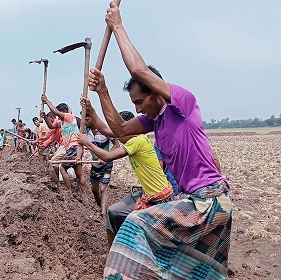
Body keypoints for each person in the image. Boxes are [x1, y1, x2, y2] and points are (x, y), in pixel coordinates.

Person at [88, 2, 232, 279]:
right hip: (192, 200)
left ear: (156, 93)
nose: (139, 108)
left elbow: (140, 71)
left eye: (140, 101)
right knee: (199, 271)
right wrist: (102, 92)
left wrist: (118, 26)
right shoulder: (154, 122)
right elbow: (118, 129)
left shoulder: (182, 103)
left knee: (135, 224)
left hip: (210, 202)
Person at [78, 108, 174, 250]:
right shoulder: (133, 137)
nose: (117, 135)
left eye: (119, 131)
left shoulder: (137, 141)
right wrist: (91, 107)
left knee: (132, 224)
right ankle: (113, 252)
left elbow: (106, 156)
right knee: (113, 213)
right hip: (148, 194)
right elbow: (104, 129)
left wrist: (87, 143)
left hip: (159, 198)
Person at [41, 95, 87, 200]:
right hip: (72, 148)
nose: (57, 117)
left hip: (74, 147)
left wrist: (47, 101)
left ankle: (69, 192)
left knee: (63, 168)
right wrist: (44, 117)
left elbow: (56, 113)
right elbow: (51, 126)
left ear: (65, 111)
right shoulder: (61, 122)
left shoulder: (69, 117)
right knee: (78, 172)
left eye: (59, 113)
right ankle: (84, 196)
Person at [82, 112, 119, 216]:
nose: (85, 121)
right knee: (94, 189)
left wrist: (107, 156)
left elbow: (117, 145)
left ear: (93, 117)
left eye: (87, 118)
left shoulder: (104, 130)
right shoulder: (85, 132)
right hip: (95, 165)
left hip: (106, 164)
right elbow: (80, 146)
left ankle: (103, 213)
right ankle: (100, 207)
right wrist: (78, 157)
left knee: (103, 188)